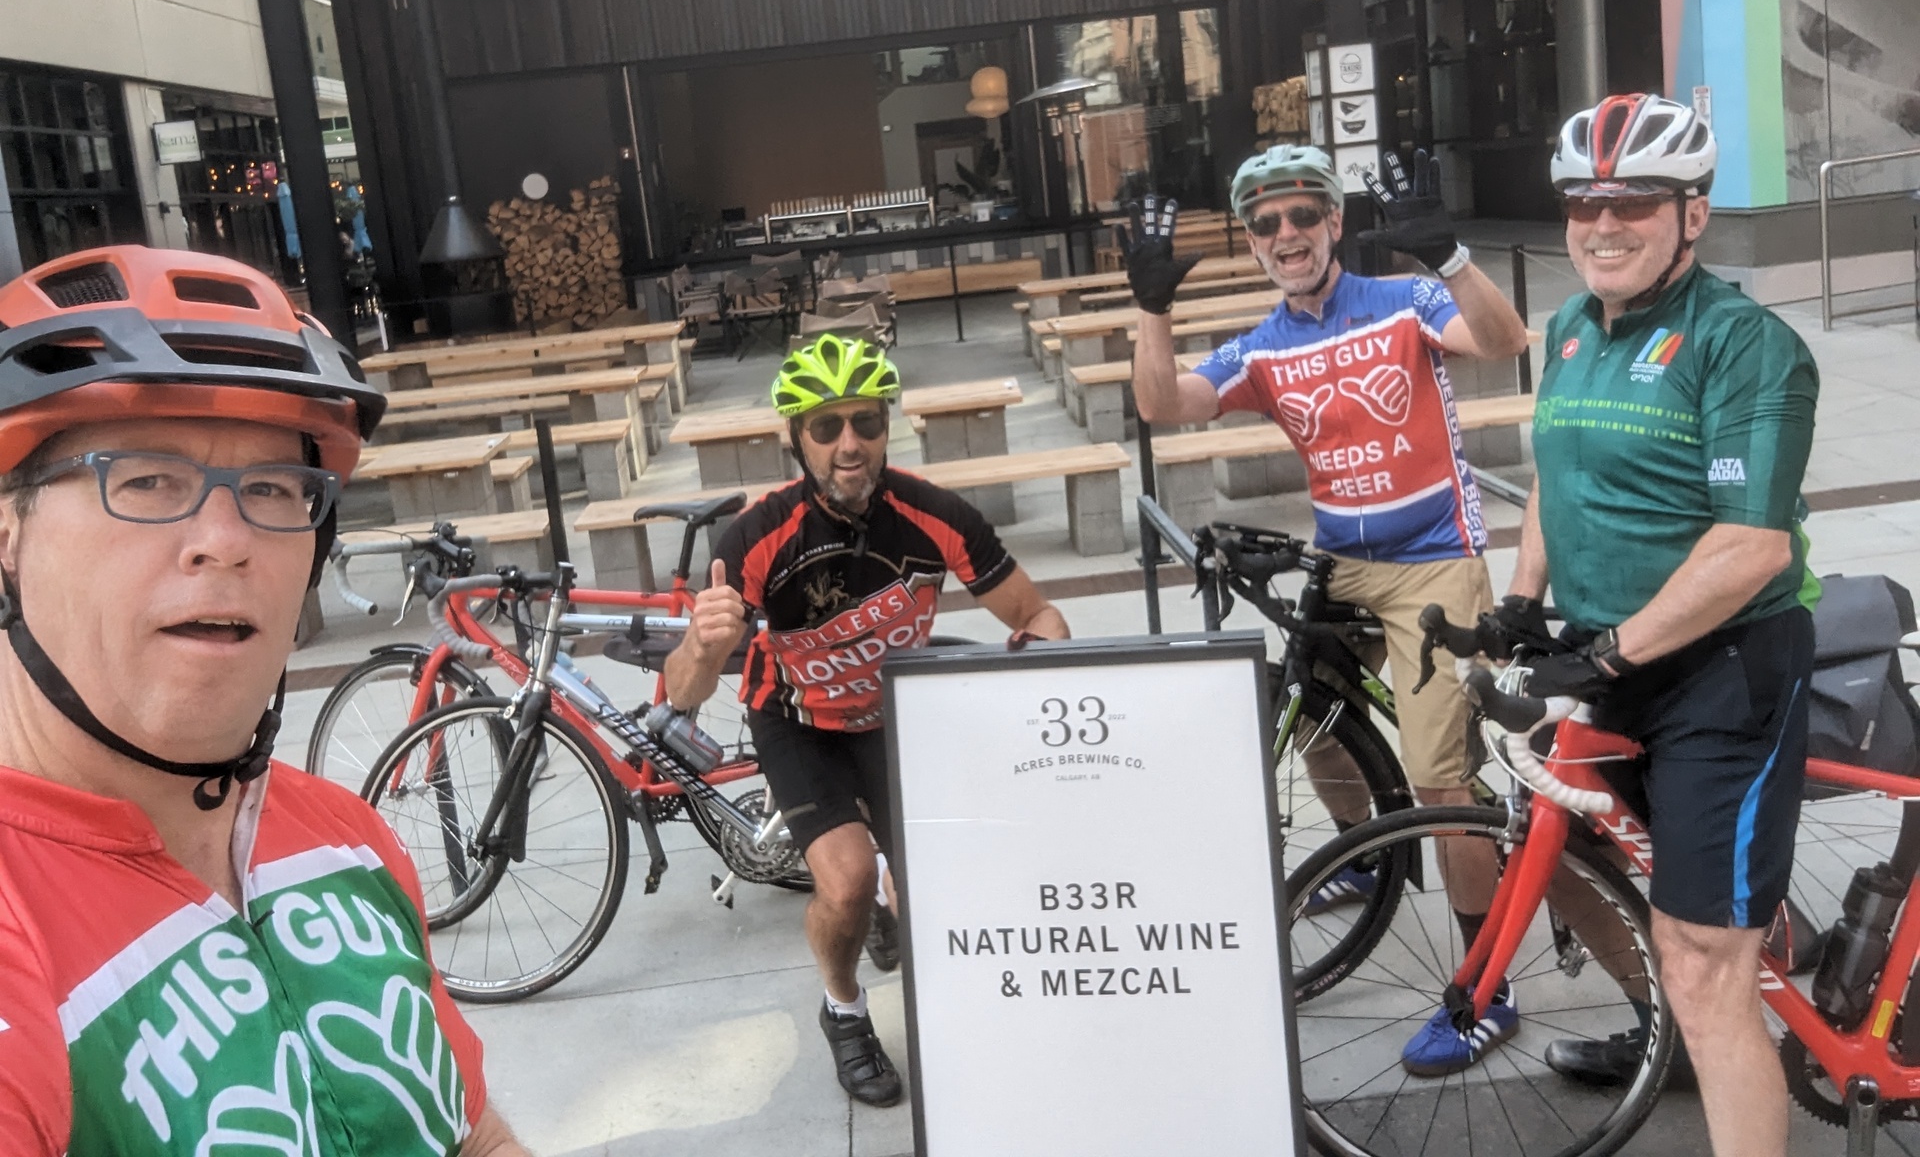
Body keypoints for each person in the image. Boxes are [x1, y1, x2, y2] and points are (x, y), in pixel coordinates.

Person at [0, 246, 525, 1156]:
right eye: (147, 478)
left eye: (273, 489)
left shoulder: (346, 839)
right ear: (8, 532)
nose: (226, 539)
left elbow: (470, 1133)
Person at [1127, 144, 1532, 1075]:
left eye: (1304, 215)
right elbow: (1164, 404)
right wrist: (1151, 307)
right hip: (1343, 564)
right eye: (1265, 224)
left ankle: (1487, 990)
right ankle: (1363, 856)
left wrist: (1449, 257)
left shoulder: (1404, 301)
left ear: (1335, 223)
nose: (1287, 234)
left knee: (1439, 787)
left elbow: (1505, 342)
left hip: (1434, 563)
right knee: (1314, 716)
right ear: (1252, 242)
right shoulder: (1263, 345)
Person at [1500, 93, 1818, 1157]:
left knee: (1701, 961)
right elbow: (1557, 475)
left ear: (1694, 214)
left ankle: (1722, 966)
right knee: (1551, 838)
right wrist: (1521, 599)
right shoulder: (1569, 329)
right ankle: (1721, 943)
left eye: (1635, 200)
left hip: (1722, 671)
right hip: (1611, 658)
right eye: (1582, 203)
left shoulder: (1744, 343)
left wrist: (1607, 653)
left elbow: (1751, 547)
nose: (1603, 224)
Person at [661, 334, 1068, 1107]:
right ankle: (844, 1008)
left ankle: (908, 926)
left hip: (898, 718)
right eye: (827, 427)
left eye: (867, 422)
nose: (849, 444)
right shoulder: (754, 536)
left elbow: (1038, 614)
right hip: (799, 721)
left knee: (937, 892)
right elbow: (682, 692)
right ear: (797, 438)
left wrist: (1035, 669)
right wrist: (700, 645)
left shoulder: (935, 514)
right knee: (845, 885)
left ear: (886, 429)